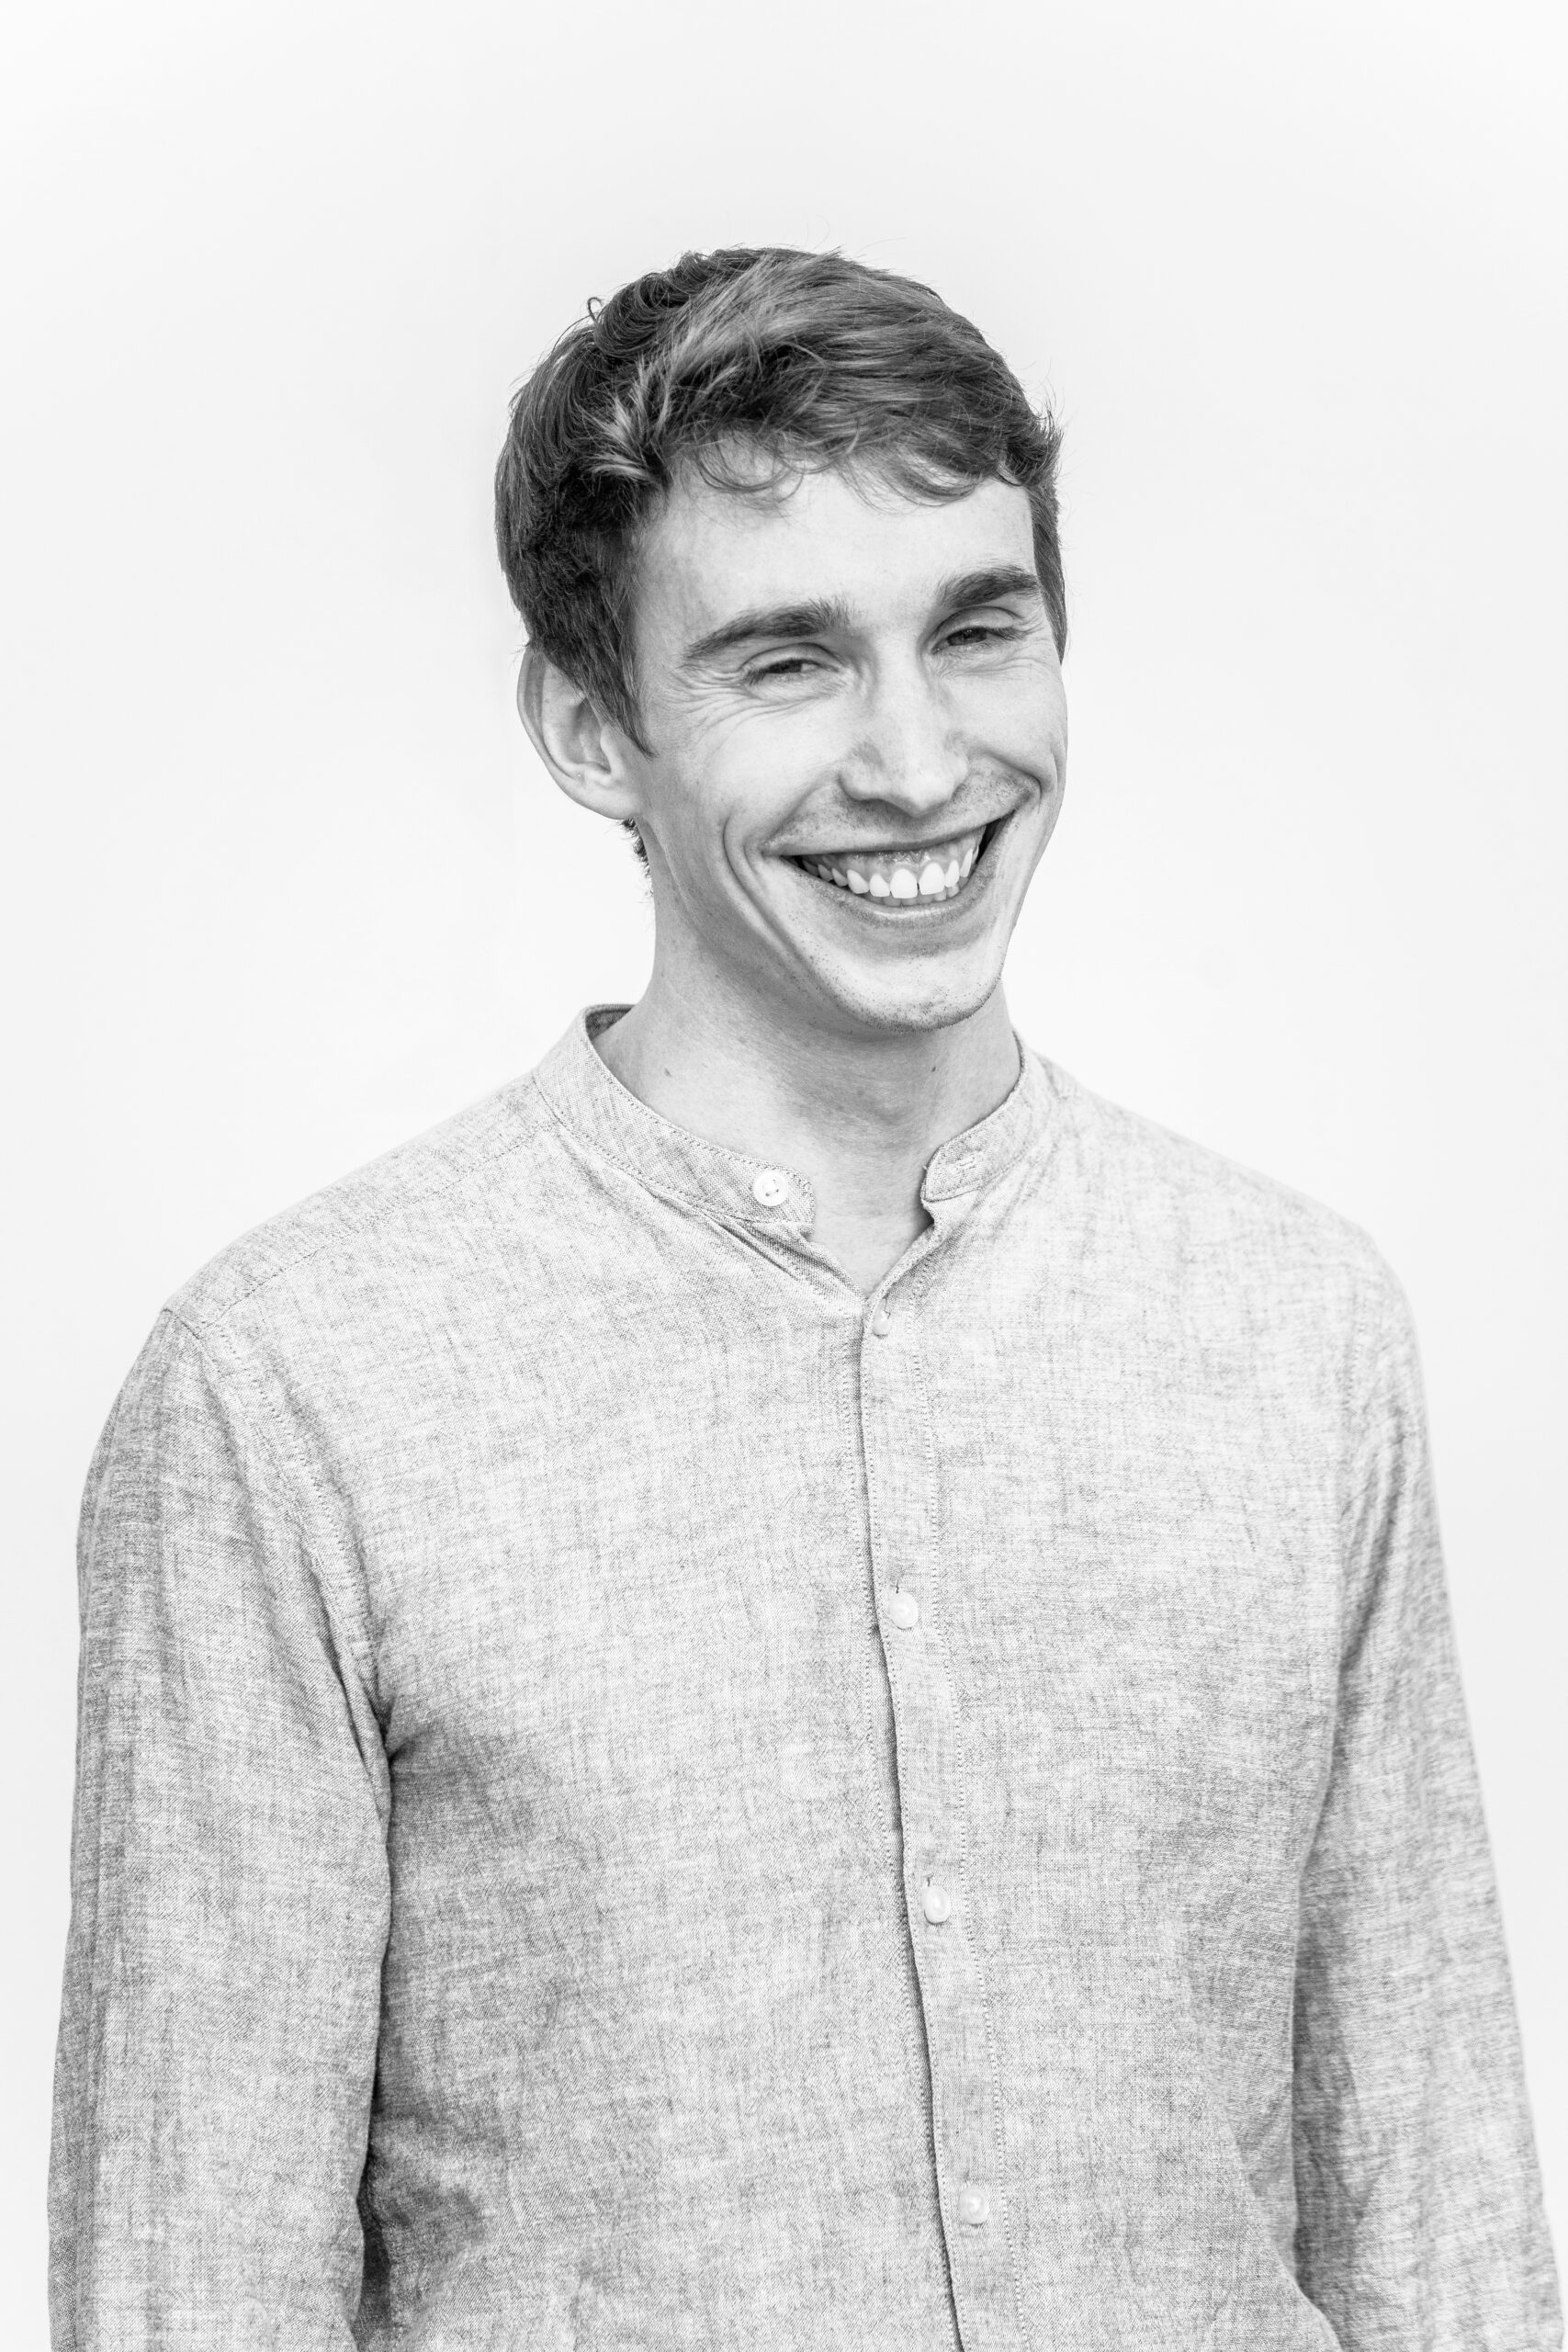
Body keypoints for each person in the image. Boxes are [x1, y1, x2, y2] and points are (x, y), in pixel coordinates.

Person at [50, 245, 1560, 2351]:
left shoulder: (1293, 1330)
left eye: (976, 628)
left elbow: (1433, 2214)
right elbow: (190, 2280)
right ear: (591, 728)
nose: (917, 760)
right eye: (786, 660)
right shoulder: (295, 1389)